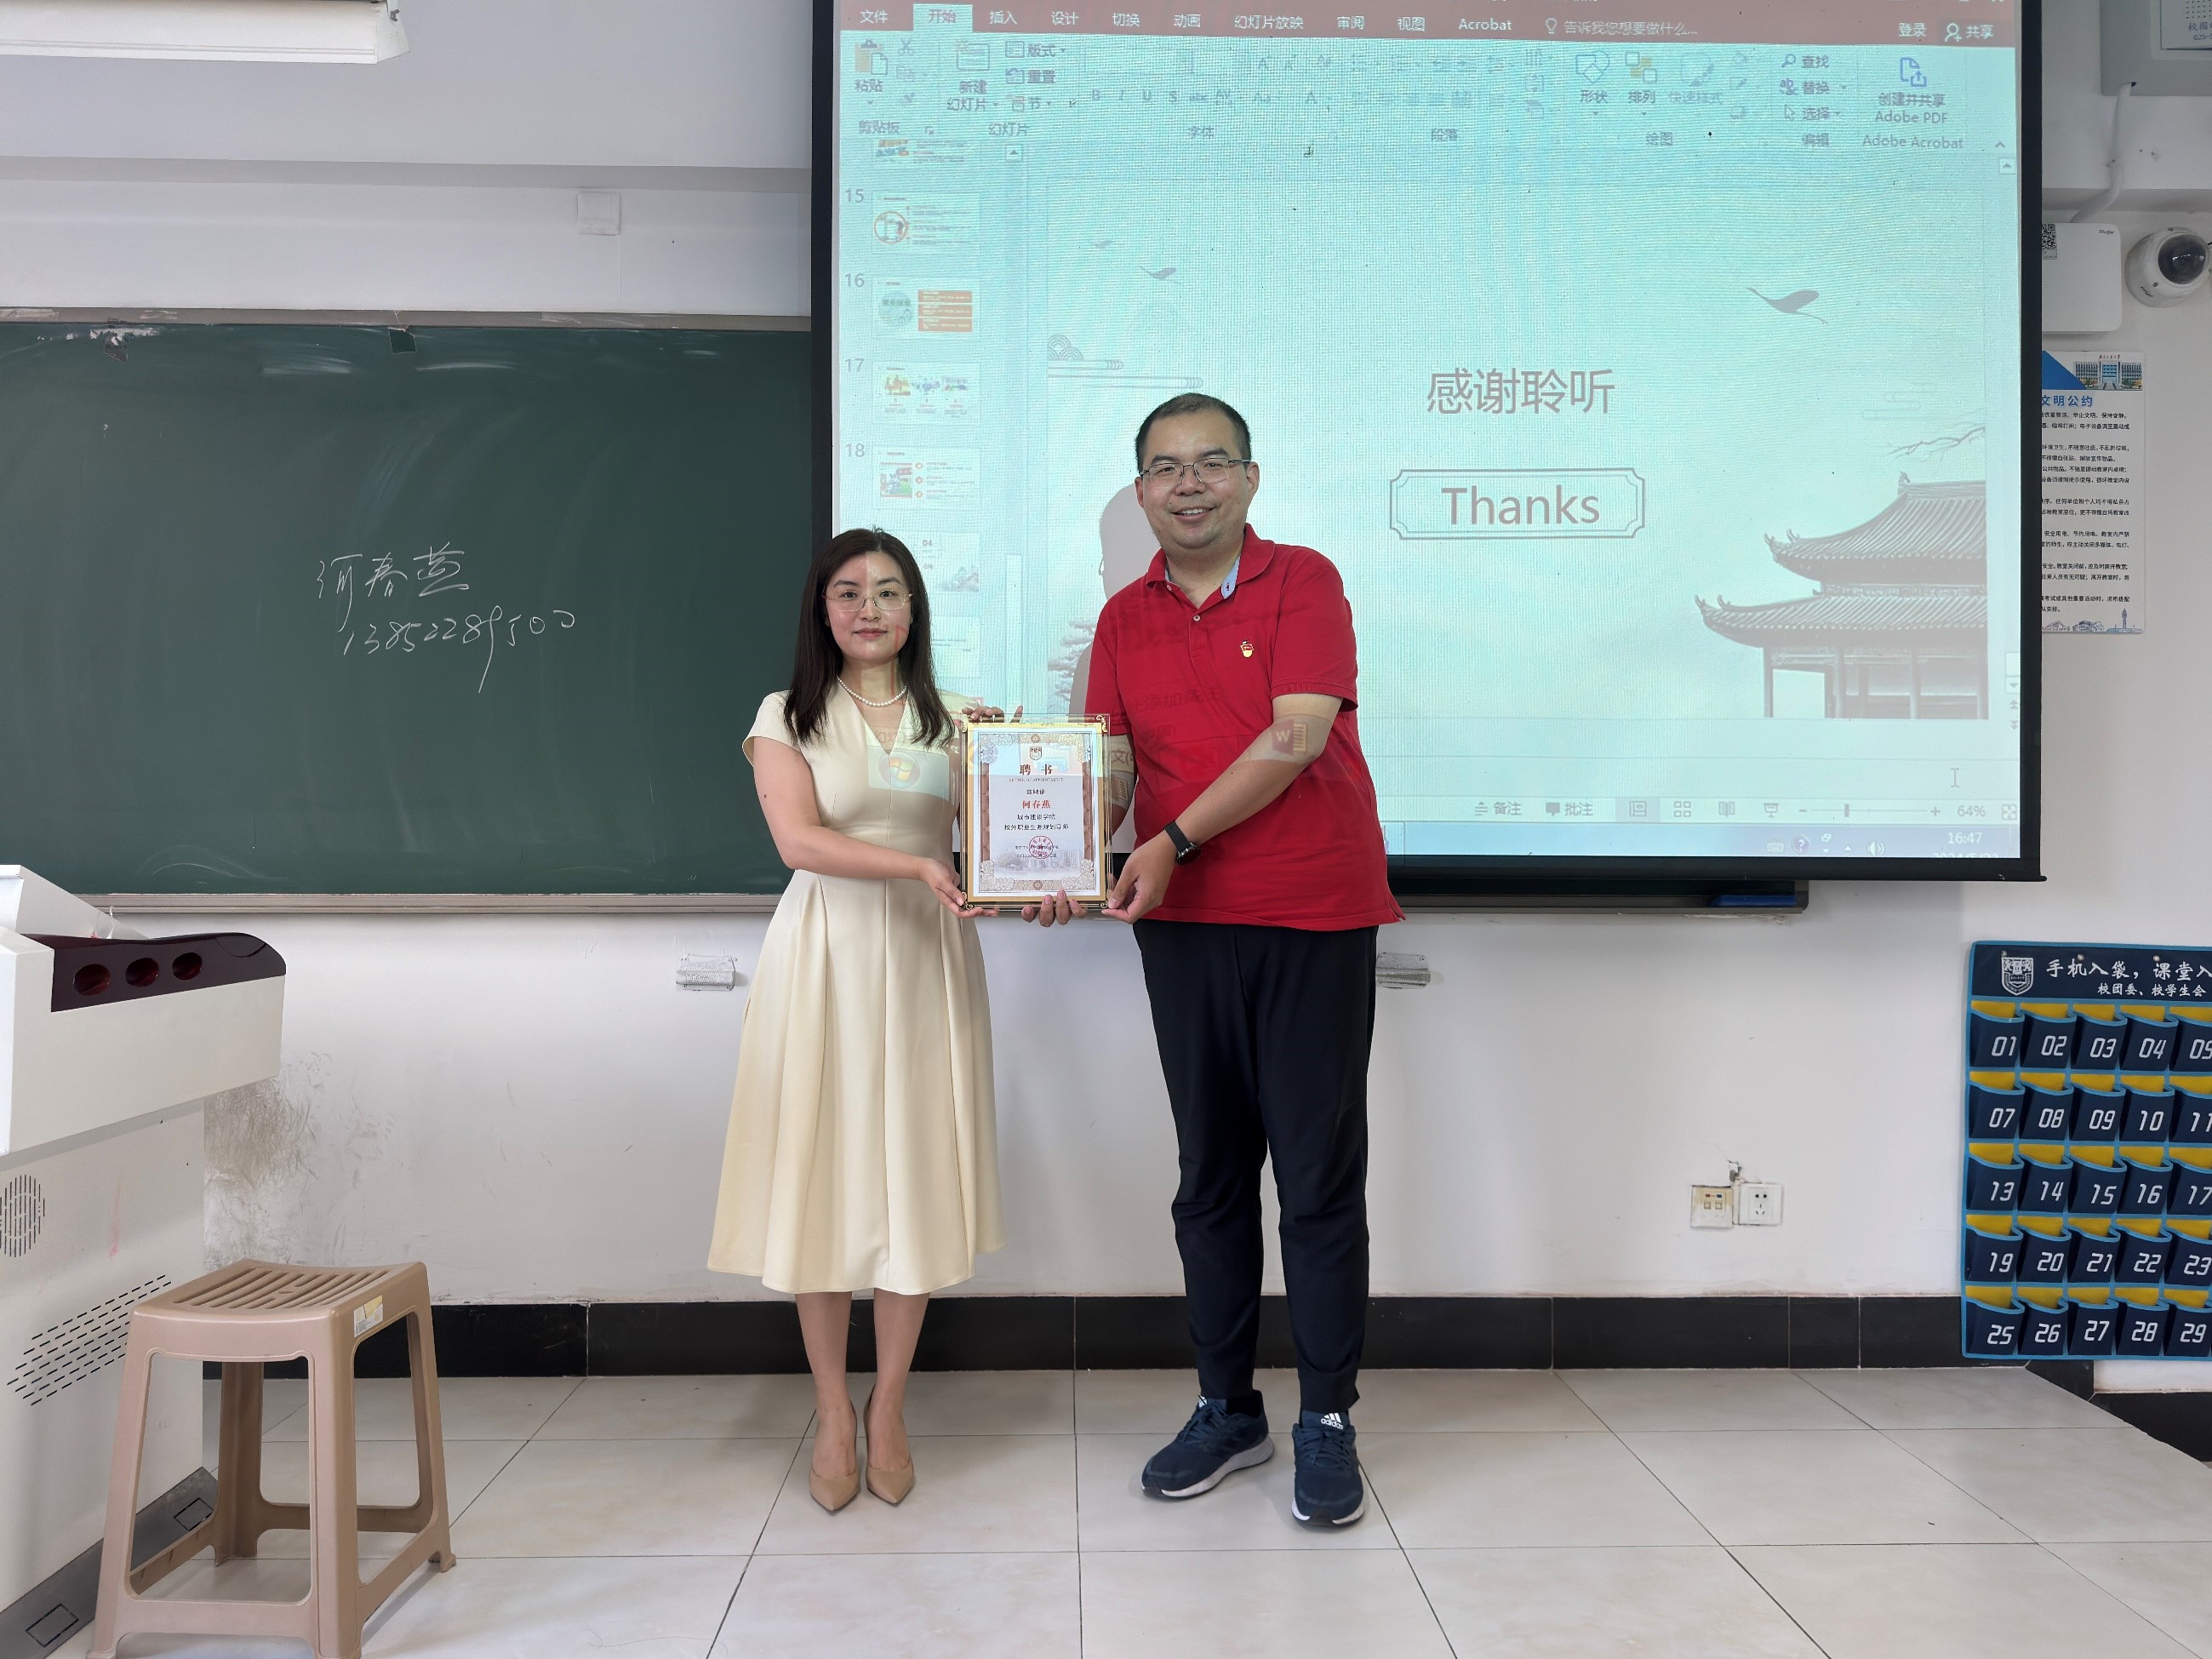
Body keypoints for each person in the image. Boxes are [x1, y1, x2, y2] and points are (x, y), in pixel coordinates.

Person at [1029, 393, 1400, 1528]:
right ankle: (1225, 1406)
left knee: (1316, 1177)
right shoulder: (1122, 617)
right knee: (1210, 1175)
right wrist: (1049, 847)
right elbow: (1107, 763)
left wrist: (1173, 839)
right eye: (1163, 467)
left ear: (1249, 478)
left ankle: (1326, 1417)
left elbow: (1295, 733)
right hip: (1183, 925)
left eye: (1210, 462)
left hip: (1310, 910)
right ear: (1140, 490)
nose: (1186, 484)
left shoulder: (1304, 580)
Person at [707, 528, 1003, 1513]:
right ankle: (833, 1408)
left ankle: (890, 1406)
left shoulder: (957, 719)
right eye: (848, 591)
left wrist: (1015, 778)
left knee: (914, 1174)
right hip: (825, 957)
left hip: (925, 960)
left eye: (887, 591)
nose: (868, 608)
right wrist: (918, 863)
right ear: (821, 610)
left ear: (914, 608)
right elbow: (799, 840)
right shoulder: (785, 713)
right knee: (824, 1175)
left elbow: (1001, 842)